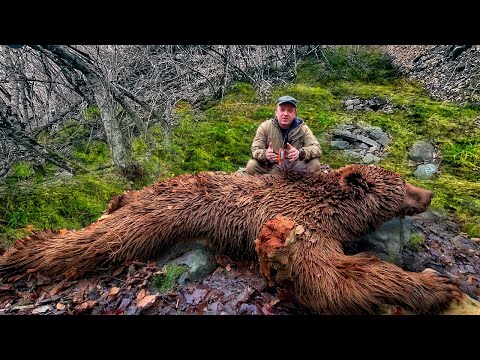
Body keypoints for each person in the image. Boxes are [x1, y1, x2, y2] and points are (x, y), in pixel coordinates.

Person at [246, 95, 322, 175]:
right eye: (282, 110)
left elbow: (317, 148)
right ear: (276, 112)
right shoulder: (264, 127)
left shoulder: (303, 129)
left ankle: (302, 186)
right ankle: (266, 185)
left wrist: (300, 153)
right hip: (271, 166)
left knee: (315, 164)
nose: (285, 114)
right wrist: (265, 155)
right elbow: (255, 149)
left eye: (290, 111)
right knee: (252, 165)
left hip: (296, 167)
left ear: (295, 114)